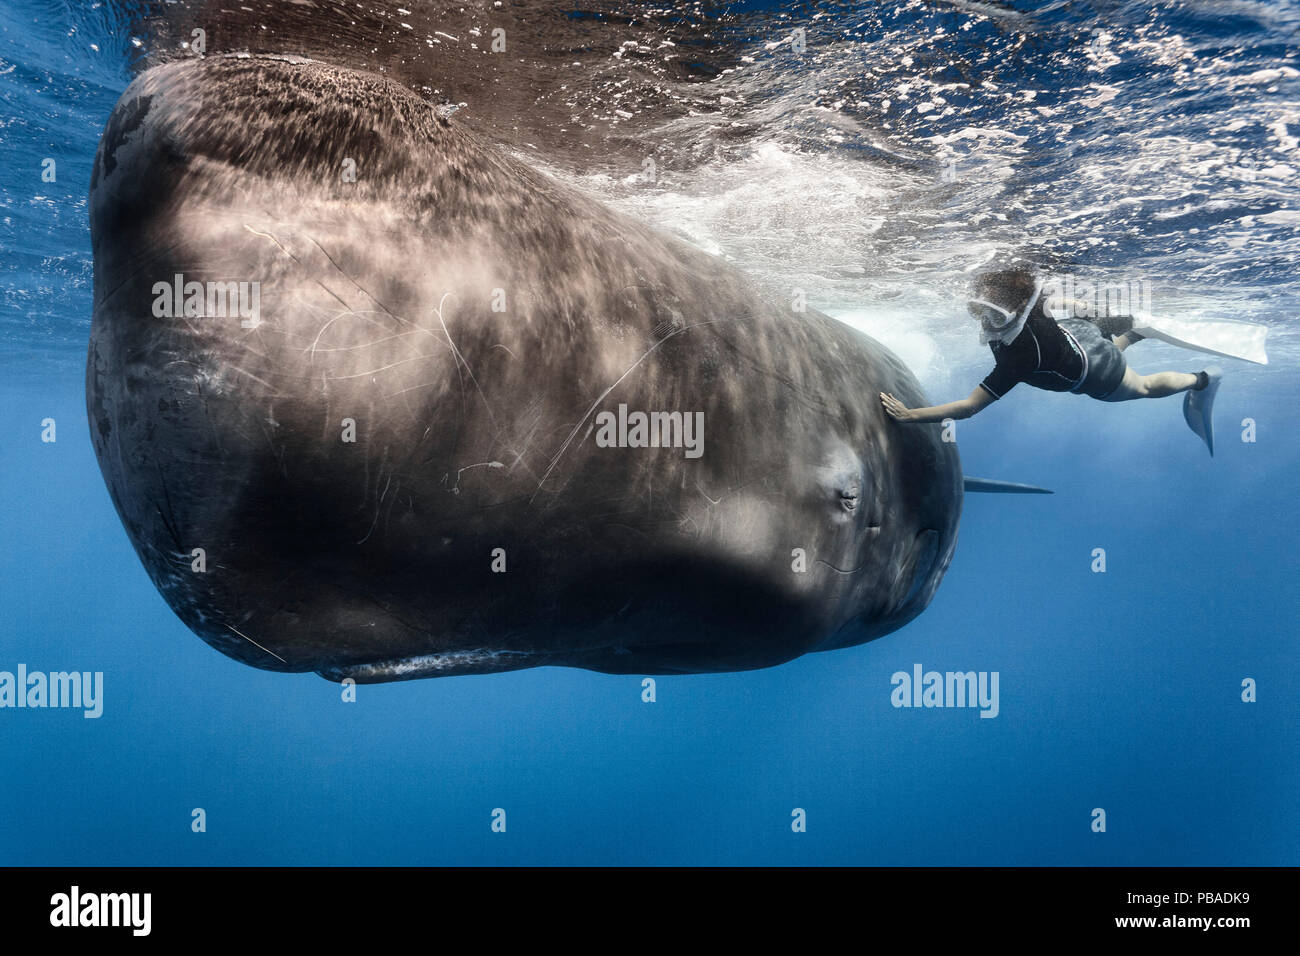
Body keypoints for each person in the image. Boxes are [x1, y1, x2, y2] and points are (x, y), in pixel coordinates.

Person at [879, 268, 1222, 452]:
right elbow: (1070, 304)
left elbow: (970, 407)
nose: (987, 323)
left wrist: (911, 415)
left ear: (1014, 311)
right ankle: (1134, 331)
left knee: (1143, 387)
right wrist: (1096, 315)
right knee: (1108, 345)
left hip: (1095, 372)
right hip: (1079, 335)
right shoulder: (1031, 303)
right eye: (982, 313)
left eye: (995, 317)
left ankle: (1203, 379)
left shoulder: (1019, 360)